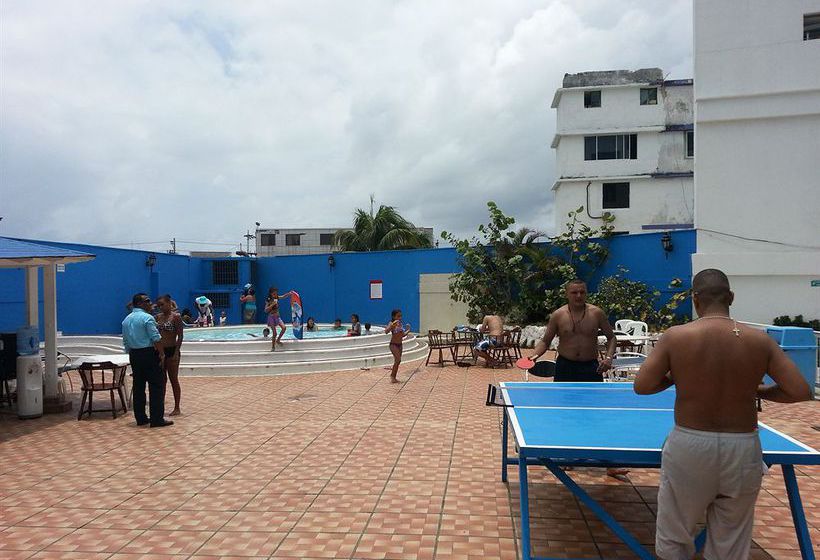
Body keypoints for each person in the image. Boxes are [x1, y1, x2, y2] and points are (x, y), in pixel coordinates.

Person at [634, 269, 811, 560]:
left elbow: (643, 386)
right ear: (730, 297)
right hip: (742, 446)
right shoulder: (760, 340)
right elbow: (799, 390)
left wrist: (677, 375)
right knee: (731, 540)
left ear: (695, 299)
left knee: (675, 534)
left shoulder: (676, 337)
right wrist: (759, 391)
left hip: (689, 445)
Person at [529, 278, 622, 477]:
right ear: (567, 294)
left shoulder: (596, 313)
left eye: (582, 292)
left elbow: (611, 338)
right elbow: (545, 341)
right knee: (565, 415)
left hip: (591, 368)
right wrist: (534, 356)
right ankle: (567, 458)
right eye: (574, 292)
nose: (579, 296)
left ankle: (609, 463)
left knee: (597, 415)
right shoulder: (558, 315)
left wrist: (608, 358)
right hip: (565, 367)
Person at [122, 293, 173, 428]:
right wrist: (161, 354)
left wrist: (131, 353)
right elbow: (155, 338)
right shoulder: (147, 318)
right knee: (156, 386)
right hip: (149, 354)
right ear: (139, 304)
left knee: (138, 386)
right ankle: (157, 419)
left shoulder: (126, 320)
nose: (151, 303)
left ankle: (141, 418)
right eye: (147, 301)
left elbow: (126, 341)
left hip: (135, 354)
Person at [155, 294, 184, 416]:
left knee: (173, 379)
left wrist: (176, 352)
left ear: (169, 303)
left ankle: (177, 407)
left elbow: (180, 336)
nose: (161, 307)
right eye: (159, 305)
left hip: (172, 350)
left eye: (163, 304)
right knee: (161, 379)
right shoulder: (157, 317)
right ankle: (159, 406)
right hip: (161, 351)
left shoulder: (176, 317)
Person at [385, 309, 410, 383]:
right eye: (398, 316)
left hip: (400, 345)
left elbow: (402, 335)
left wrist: (408, 330)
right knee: (398, 360)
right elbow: (386, 331)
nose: (400, 318)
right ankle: (392, 376)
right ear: (393, 316)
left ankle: (393, 376)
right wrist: (392, 326)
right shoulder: (391, 323)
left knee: (397, 361)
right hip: (393, 345)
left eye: (400, 316)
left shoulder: (400, 324)